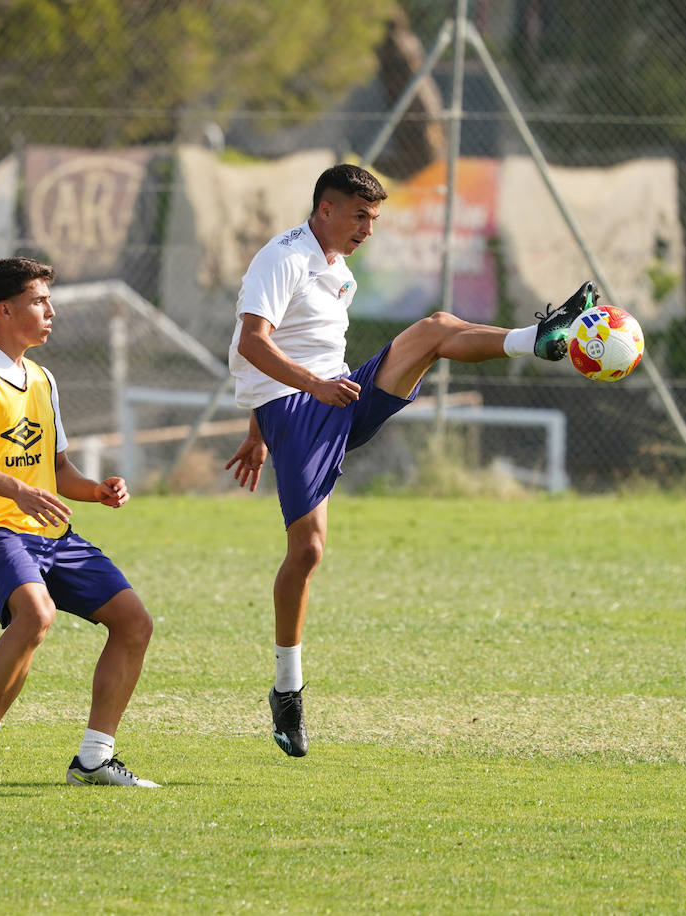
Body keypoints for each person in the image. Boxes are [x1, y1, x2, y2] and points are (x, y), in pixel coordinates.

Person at [224, 164, 597, 758]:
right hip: (299, 408)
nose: (368, 230)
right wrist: (270, 418)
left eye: (374, 218)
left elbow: (294, 343)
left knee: (436, 329)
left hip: (335, 395)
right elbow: (252, 343)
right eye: (359, 216)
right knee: (308, 550)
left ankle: (539, 337)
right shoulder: (282, 257)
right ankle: (287, 690)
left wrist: (260, 425)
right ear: (324, 209)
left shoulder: (338, 270)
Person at [0, 256, 158, 790]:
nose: (51, 311)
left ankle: (95, 758)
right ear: (5, 310)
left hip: (49, 531)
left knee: (134, 623)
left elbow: (56, 471)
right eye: (39, 301)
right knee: (35, 613)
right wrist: (19, 492)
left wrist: (96, 490)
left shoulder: (42, 378)